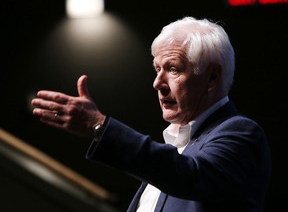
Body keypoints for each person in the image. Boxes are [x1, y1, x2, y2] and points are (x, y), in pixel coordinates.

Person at [31, 16, 272, 212]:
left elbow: (190, 175)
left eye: (173, 69)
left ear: (211, 78)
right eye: (157, 69)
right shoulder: (176, 149)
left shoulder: (240, 133)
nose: (157, 83)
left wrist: (100, 127)